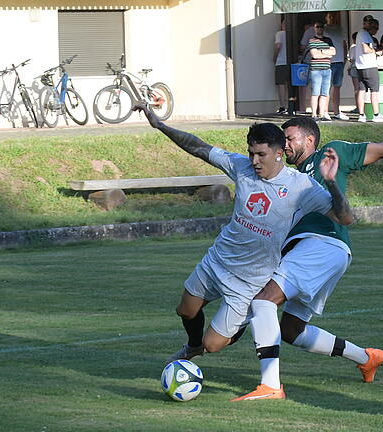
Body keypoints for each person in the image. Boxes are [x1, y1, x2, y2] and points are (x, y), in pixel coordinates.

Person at [230, 101, 383, 401]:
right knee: (291, 330)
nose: (285, 145)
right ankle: (366, 358)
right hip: (314, 253)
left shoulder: (330, 153)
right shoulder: (283, 177)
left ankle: (270, 386)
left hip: (321, 244)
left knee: (264, 301)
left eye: (289, 138)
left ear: (310, 140)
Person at [131, 103, 356, 370]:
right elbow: (199, 147)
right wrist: (160, 125)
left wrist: (331, 183)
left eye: (261, 154)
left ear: (279, 153)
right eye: (251, 153)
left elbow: (345, 218)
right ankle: (191, 347)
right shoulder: (242, 167)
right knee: (185, 310)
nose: (254, 161)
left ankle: (234, 326)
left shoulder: (301, 187)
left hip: (251, 280)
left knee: (213, 345)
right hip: (218, 261)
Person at [354, 17, 383, 122]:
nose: (376, 30)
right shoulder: (364, 34)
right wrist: (376, 52)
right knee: (374, 91)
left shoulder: (362, 34)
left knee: (362, 90)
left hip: (360, 66)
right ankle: (376, 115)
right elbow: (366, 49)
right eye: (375, 27)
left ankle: (361, 115)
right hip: (369, 66)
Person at [307, 21, 336, 121]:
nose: (320, 29)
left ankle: (322, 114)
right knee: (315, 92)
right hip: (316, 70)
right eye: (317, 27)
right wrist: (326, 53)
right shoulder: (312, 40)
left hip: (327, 69)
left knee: (325, 93)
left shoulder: (328, 40)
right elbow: (314, 55)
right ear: (314, 28)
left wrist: (321, 52)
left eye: (321, 27)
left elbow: (334, 52)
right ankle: (314, 115)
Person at [324, 12, 349, 120]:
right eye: (329, 16)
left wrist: (344, 57)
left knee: (337, 86)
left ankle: (336, 111)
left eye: (333, 16)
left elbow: (344, 43)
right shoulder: (324, 29)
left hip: (339, 61)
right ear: (326, 18)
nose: (332, 18)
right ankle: (324, 111)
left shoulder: (340, 29)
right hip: (329, 61)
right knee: (326, 87)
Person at [274, 18, 290, 114]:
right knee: (290, 85)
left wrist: (274, 57)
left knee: (281, 85)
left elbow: (278, 46)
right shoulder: (292, 35)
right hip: (290, 61)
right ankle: (291, 106)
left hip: (281, 62)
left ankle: (282, 106)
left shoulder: (279, 34)